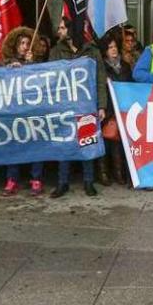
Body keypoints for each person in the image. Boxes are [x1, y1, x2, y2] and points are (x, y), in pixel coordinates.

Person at [49, 18, 108, 197]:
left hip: (86, 104)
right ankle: (62, 182)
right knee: (64, 145)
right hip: (64, 105)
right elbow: (51, 79)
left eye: (62, 28)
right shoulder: (56, 51)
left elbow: (100, 78)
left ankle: (88, 182)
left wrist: (102, 106)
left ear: (71, 30)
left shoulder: (92, 51)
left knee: (87, 143)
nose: (59, 31)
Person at [0, 26, 45, 197]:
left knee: (36, 144)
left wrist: (31, 66)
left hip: (33, 111)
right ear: (14, 45)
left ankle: (36, 179)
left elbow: (43, 82)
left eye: (28, 43)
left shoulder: (38, 63)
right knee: (13, 146)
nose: (25, 46)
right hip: (13, 112)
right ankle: (12, 180)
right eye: (21, 43)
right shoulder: (5, 63)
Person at [100, 33, 131, 185]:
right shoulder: (101, 68)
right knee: (106, 140)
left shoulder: (125, 66)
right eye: (109, 47)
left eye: (115, 47)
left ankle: (119, 172)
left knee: (118, 142)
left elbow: (132, 85)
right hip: (108, 108)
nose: (113, 50)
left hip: (122, 106)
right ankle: (104, 172)